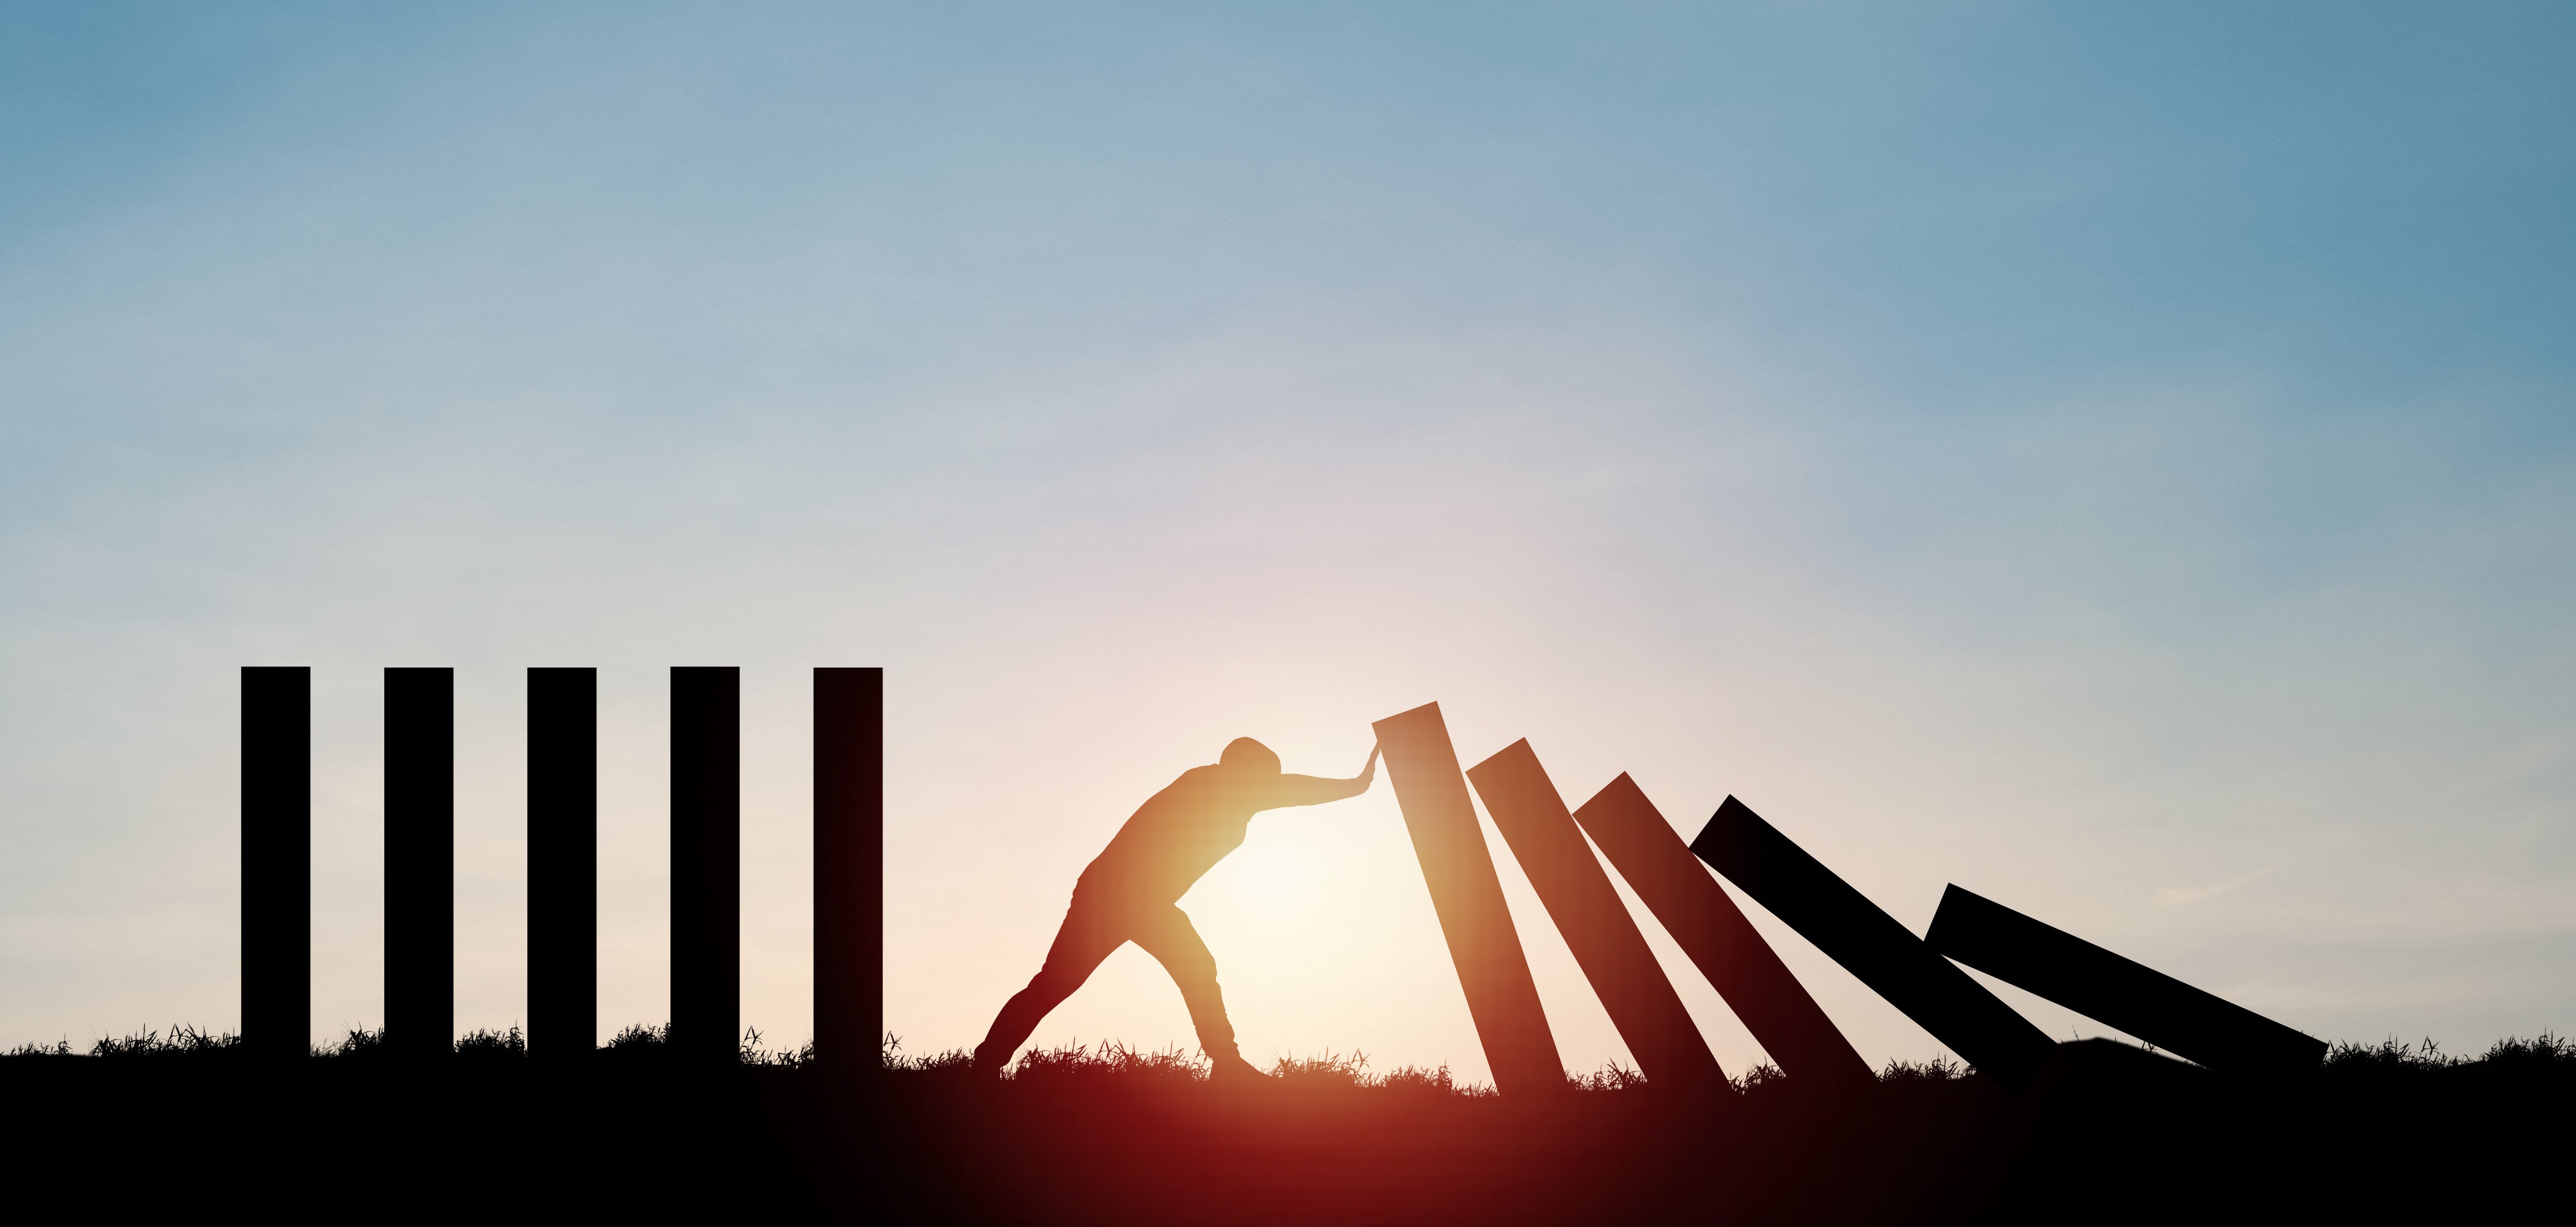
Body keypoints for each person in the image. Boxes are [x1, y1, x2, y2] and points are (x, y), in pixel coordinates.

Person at [973, 736, 1381, 1082]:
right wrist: (1354, 784)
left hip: (1141, 899)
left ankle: (1226, 1064)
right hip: (1116, 893)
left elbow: (1292, 790)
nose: (1269, 789)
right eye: (1265, 780)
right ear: (1242, 773)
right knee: (1058, 983)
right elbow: (1291, 789)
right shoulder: (1204, 784)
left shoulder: (1236, 794)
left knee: (1191, 968)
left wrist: (1355, 784)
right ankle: (985, 1063)